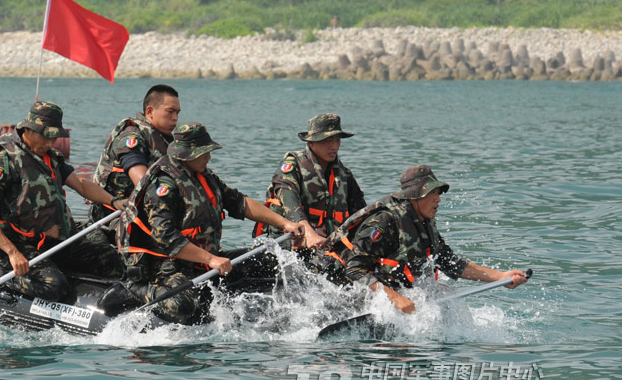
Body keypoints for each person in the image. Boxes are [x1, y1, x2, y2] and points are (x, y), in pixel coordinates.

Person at [111, 122, 305, 324]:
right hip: (163, 265)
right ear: (187, 154)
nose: (208, 157)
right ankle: (134, 291)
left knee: (270, 260)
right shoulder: (163, 184)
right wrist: (211, 259)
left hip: (199, 261)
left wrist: (285, 223)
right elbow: (166, 237)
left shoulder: (205, 175)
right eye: (203, 153)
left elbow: (239, 203)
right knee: (181, 305)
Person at [0, 101, 127, 301]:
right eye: (45, 137)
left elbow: (82, 185)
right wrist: (12, 253)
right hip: (15, 243)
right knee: (54, 287)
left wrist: (115, 201)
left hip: (51, 241)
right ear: (28, 129)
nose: (50, 144)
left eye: (54, 138)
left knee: (109, 259)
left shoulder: (50, 157)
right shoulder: (3, 160)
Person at [325, 165, 528, 313]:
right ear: (415, 196)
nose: (438, 198)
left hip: (379, 286)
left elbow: (450, 262)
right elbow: (354, 269)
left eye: (439, 193)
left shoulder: (425, 221)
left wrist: (500, 277)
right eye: (432, 193)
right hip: (335, 285)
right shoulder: (383, 222)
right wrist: (394, 298)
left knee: (442, 292)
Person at [255, 114, 365, 252]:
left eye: (337, 140)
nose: (334, 146)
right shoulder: (293, 165)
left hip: (329, 243)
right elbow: (288, 199)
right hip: (291, 243)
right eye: (327, 140)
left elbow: (361, 213)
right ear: (311, 142)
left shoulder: (344, 174)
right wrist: (308, 233)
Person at [89, 84, 181, 229]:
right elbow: (143, 183)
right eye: (170, 112)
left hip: (149, 212)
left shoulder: (167, 141)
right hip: (116, 216)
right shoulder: (132, 136)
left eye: (177, 113)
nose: (175, 118)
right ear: (150, 111)